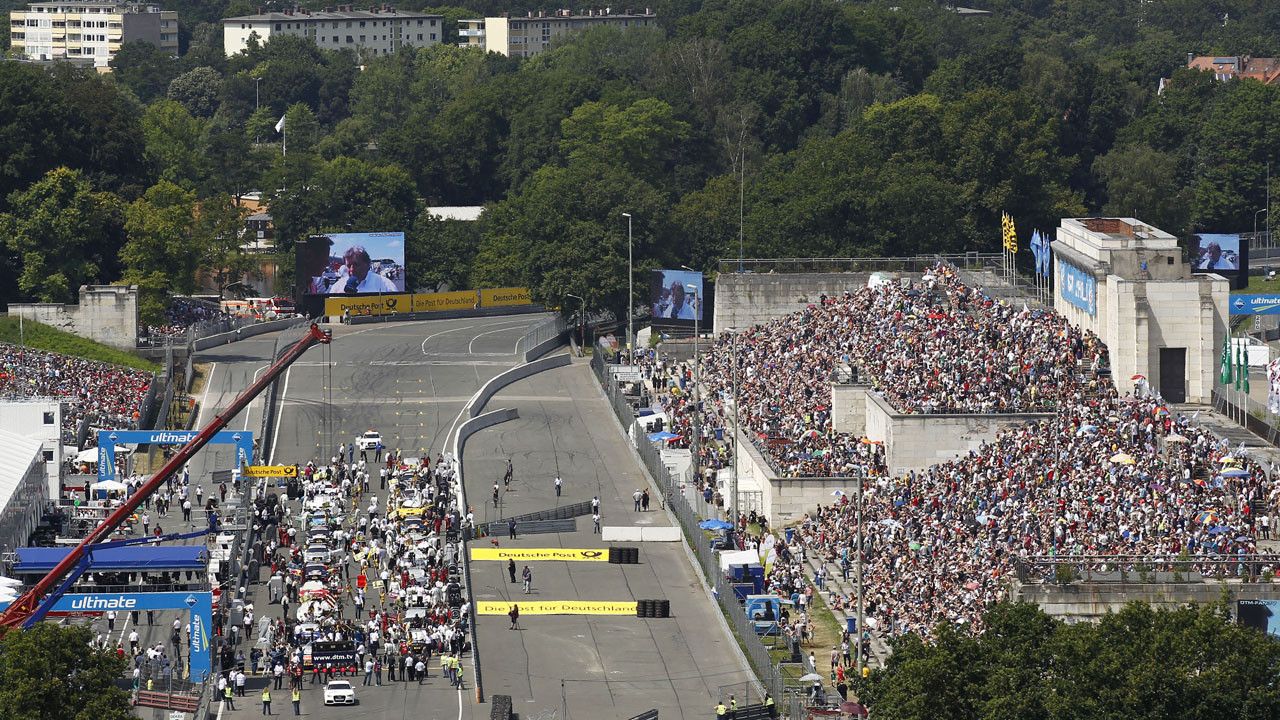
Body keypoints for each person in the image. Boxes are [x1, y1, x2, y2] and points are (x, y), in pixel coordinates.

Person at [327, 245, 398, 294]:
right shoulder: (337, 287)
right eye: (348, 266)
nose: (352, 270)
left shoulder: (386, 285)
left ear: (367, 264)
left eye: (356, 265)